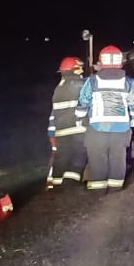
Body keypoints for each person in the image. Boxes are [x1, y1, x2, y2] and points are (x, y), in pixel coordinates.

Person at [78, 45, 134, 191]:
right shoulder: (128, 82)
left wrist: (80, 119)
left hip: (96, 128)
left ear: (101, 62)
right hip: (121, 129)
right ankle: (115, 191)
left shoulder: (92, 81)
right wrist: (133, 121)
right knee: (118, 158)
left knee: (97, 159)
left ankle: (98, 192)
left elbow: (83, 101)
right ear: (121, 62)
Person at [47, 56, 89, 189]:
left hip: (61, 132)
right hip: (79, 130)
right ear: (76, 70)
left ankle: (56, 187)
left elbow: (53, 114)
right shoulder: (83, 85)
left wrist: (51, 132)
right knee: (77, 159)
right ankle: (70, 189)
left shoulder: (58, 89)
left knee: (61, 160)